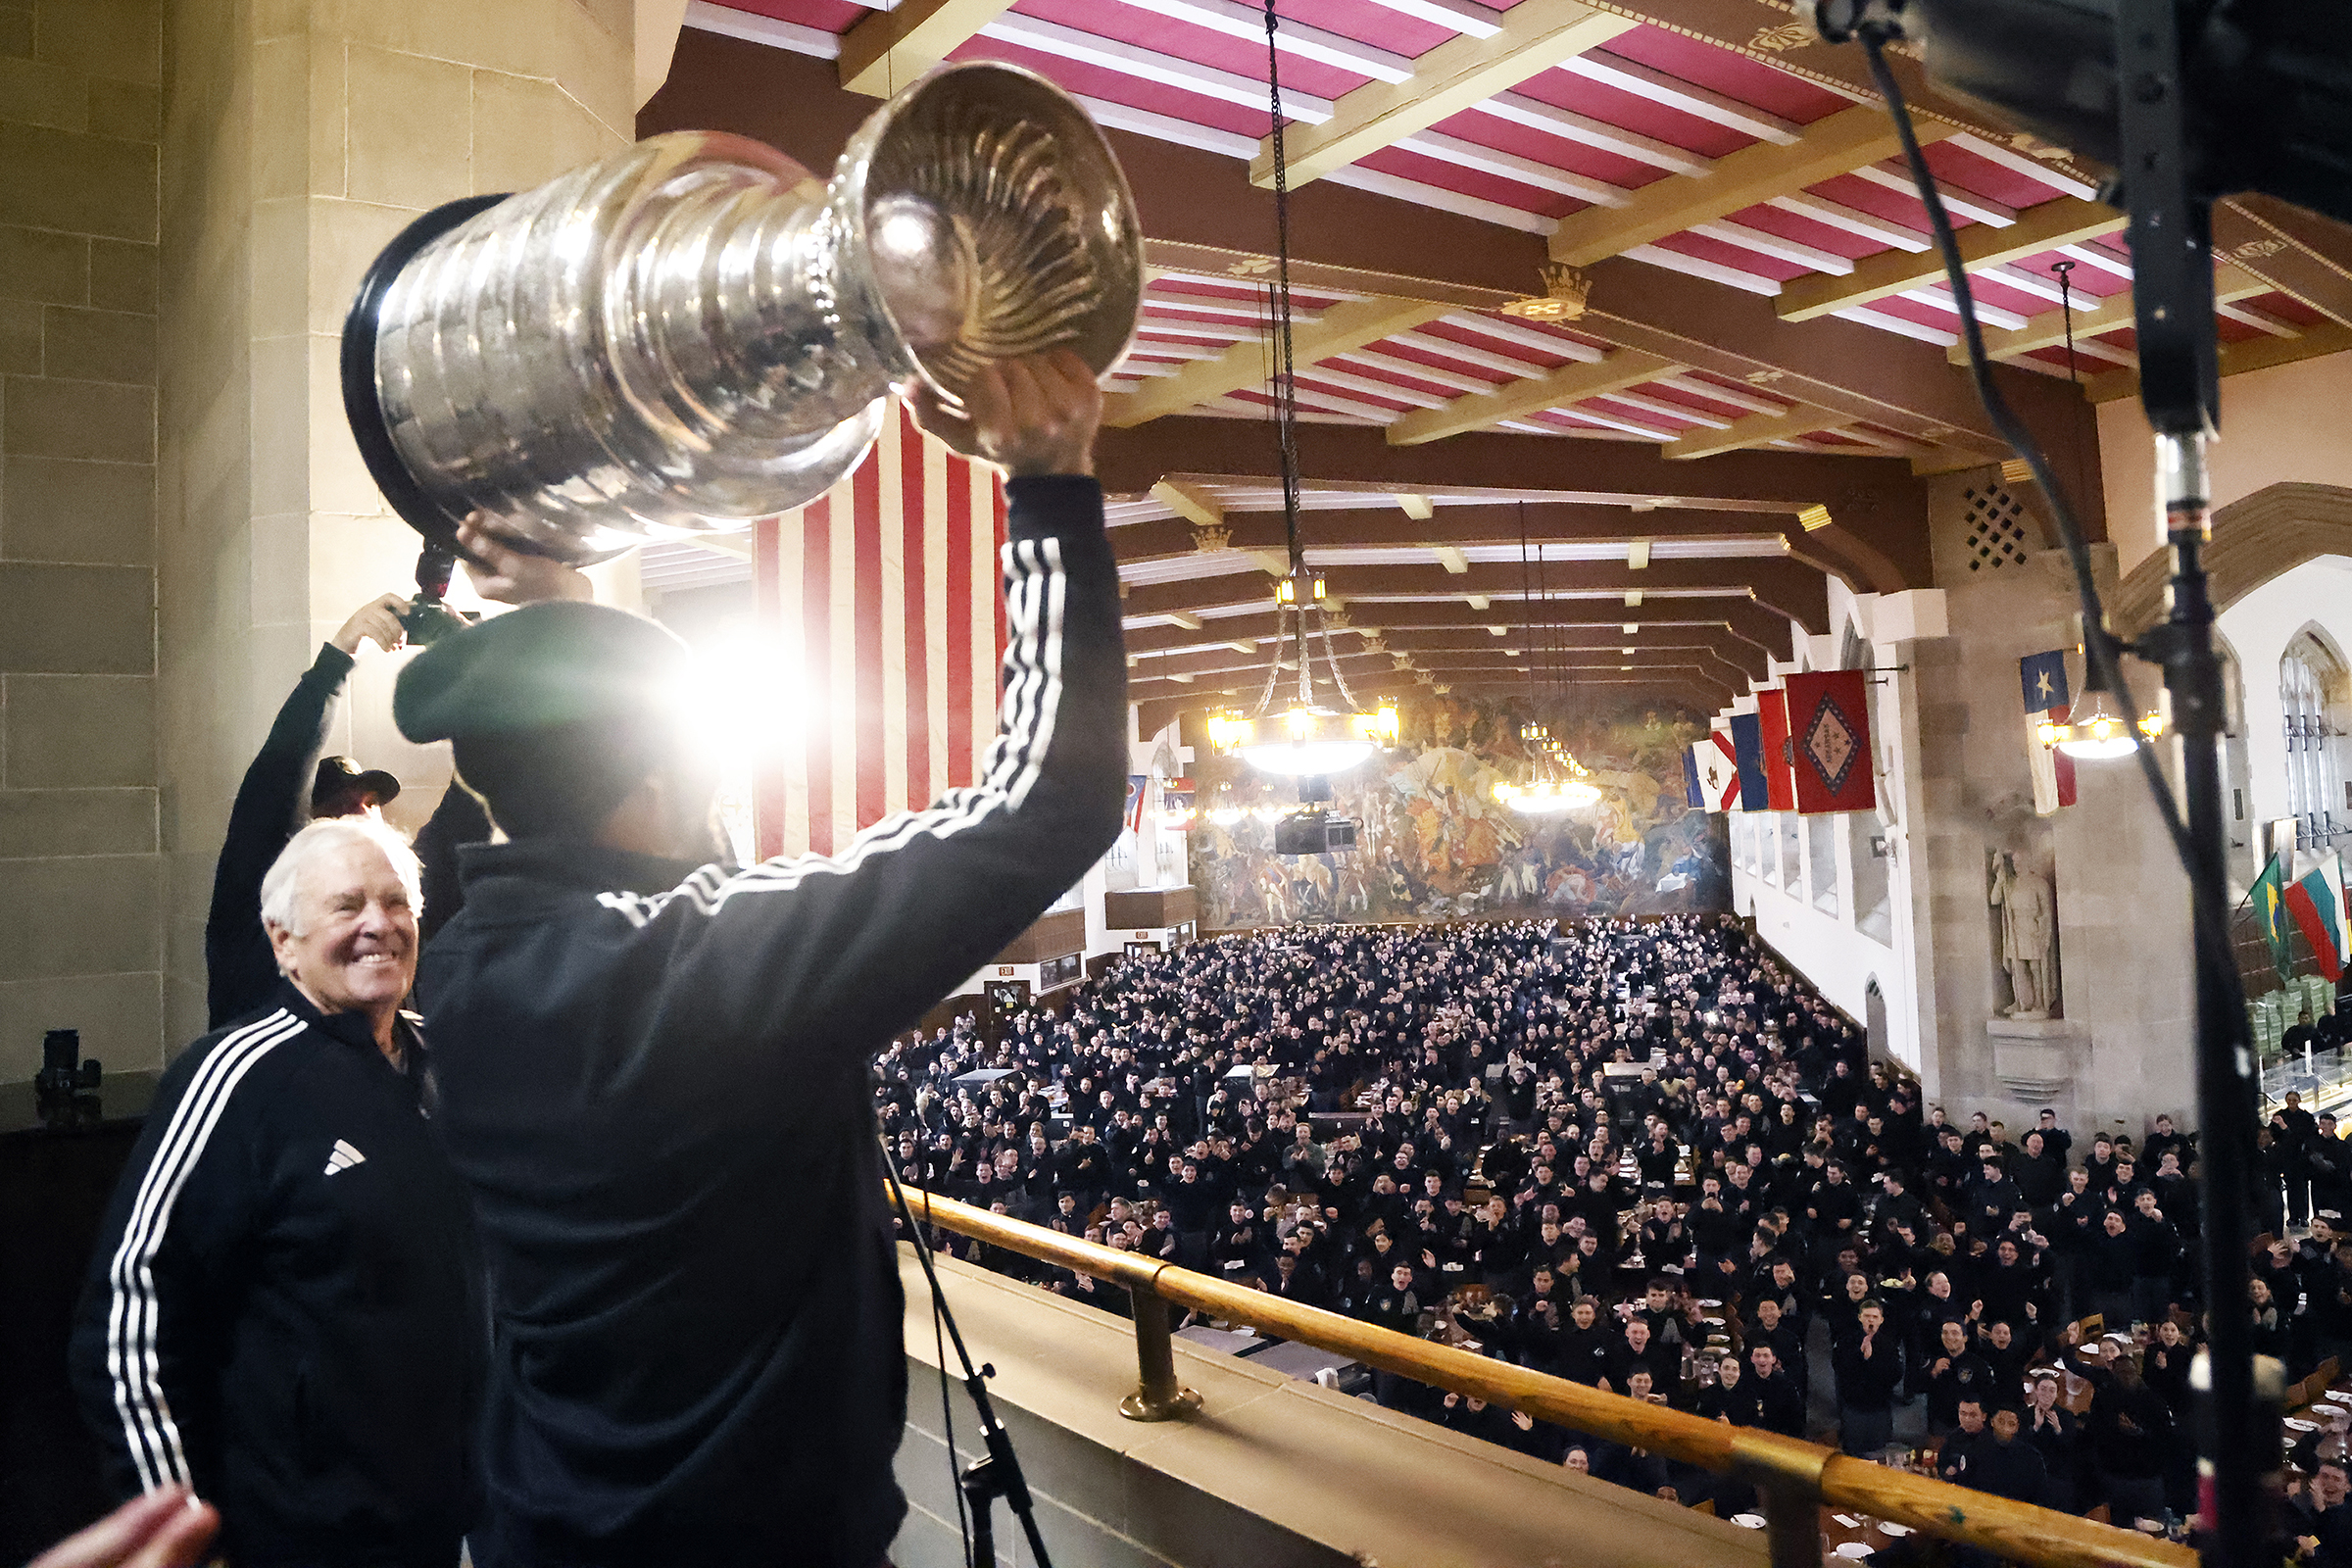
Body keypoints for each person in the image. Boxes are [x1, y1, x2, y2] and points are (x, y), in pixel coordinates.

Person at [396, 354, 1126, 1568]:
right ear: (658, 783)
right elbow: (1051, 801)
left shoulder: (463, 970)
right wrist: (1050, 486)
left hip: (545, 1528)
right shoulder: (704, 978)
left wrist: (569, 616)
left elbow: (679, 883)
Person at [70, 819, 483, 1567]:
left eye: (396, 903)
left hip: (457, 1527)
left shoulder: (451, 1062)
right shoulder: (233, 1080)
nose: (378, 926)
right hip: (300, 1537)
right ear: (282, 940)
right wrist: (182, 1537)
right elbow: (129, 1323)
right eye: (346, 905)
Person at [202, 595, 411, 1027]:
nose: (362, 812)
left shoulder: (399, 908)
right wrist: (338, 659)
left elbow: (465, 813)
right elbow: (277, 775)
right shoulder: (266, 896)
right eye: (341, 806)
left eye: (370, 803)